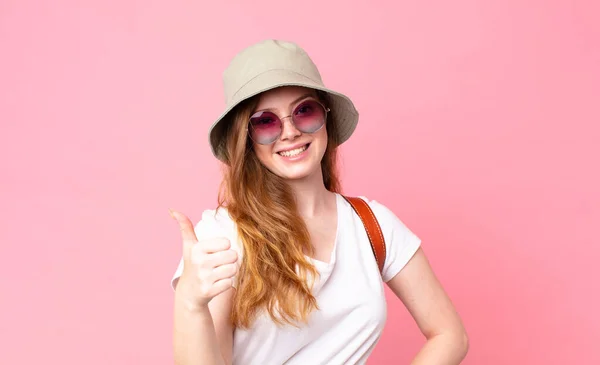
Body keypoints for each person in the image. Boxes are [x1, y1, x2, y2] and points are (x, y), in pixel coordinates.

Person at [169, 39, 469, 365]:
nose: (290, 133)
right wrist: (190, 303)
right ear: (247, 139)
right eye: (265, 121)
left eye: (304, 111)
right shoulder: (225, 235)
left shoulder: (372, 225)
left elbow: (450, 334)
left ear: (325, 118)